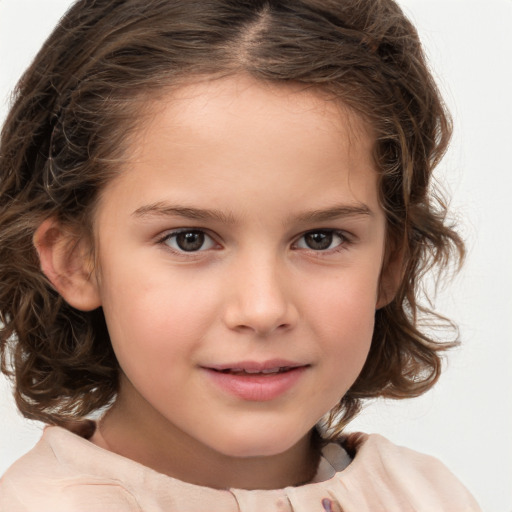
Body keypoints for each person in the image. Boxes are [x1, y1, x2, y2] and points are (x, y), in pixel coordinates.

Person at [0, 0, 482, 510]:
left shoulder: (431, 496)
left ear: (390, 261)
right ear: (77, 260)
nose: (263, 309)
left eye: (320, 238)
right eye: (190, 239)